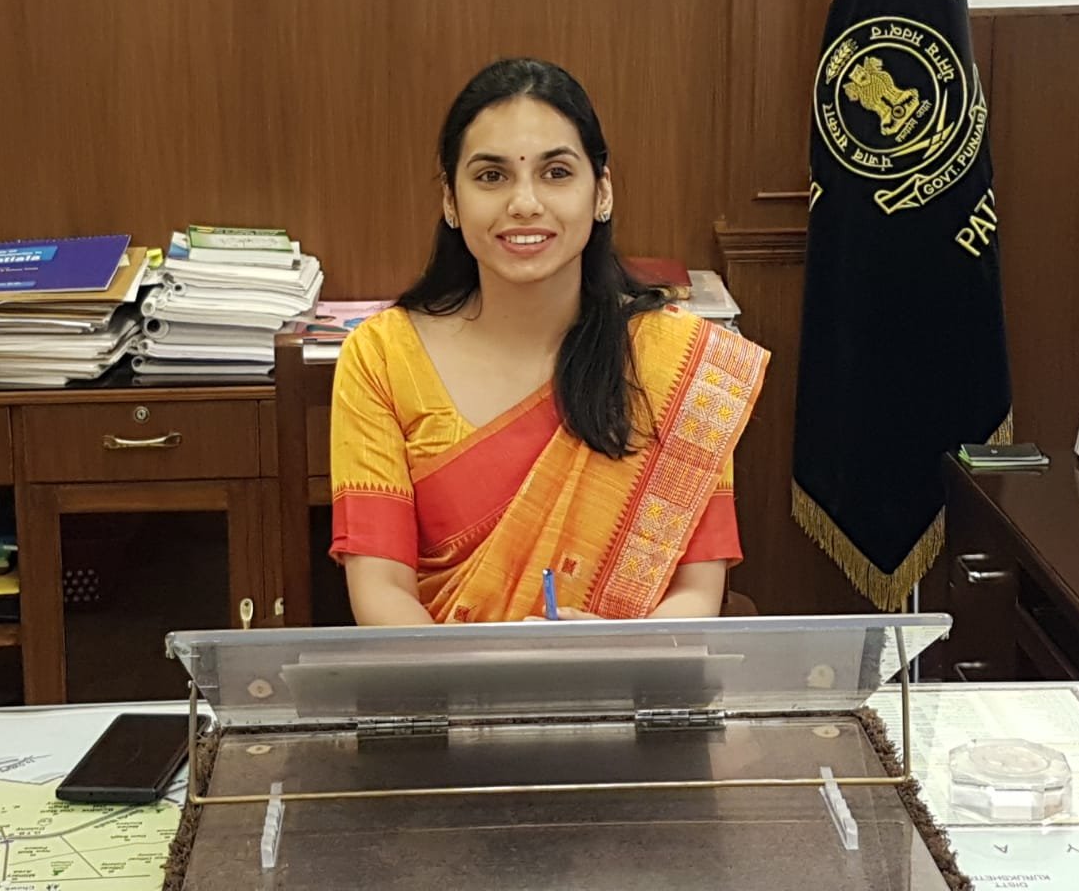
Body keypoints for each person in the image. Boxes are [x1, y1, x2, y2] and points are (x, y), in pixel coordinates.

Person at [329, 58, 770, 624]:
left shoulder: (680, 365)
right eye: (491, 176)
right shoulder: (382, 356)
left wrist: (610, 658)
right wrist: (482, 671)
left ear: (601, 191)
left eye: (556, 173)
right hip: (438, 676)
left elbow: (695, 595)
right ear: (450, 201)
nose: (525, 203)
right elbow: (381, 592)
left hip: (631, 674)